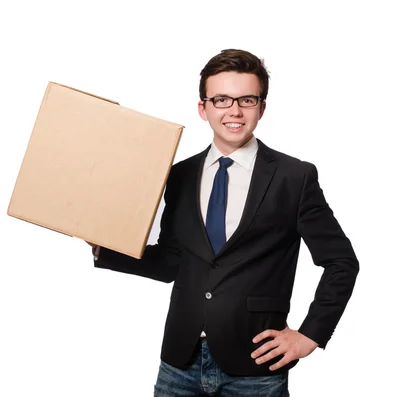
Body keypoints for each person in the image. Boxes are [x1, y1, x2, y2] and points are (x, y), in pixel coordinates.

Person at [88, 49, 359, 396]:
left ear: (262, 107)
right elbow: (172, 261)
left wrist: (310, 334)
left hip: (255, 368)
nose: (234, 110)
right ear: (203, 108)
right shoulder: (179, 175)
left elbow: (341, 262)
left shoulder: (295, 177)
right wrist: (103, 248)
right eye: (221, 99)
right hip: (179, 363)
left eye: (246, 99)